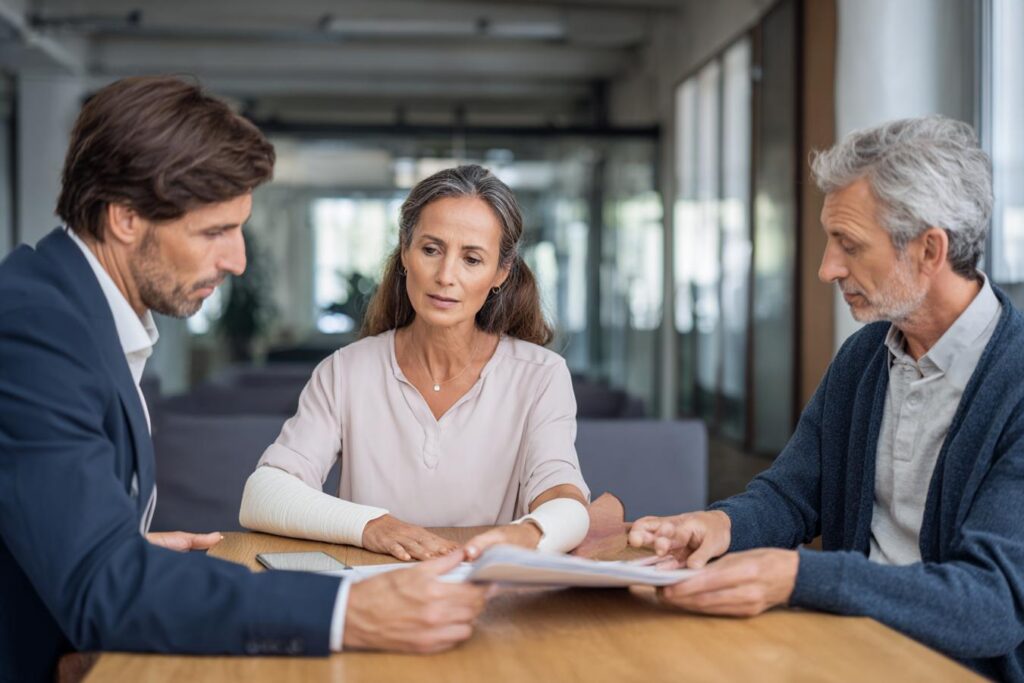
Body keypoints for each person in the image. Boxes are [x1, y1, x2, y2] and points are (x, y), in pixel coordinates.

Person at [0, 76, 488, 683]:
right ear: (124, 218)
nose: (237, 261)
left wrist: (119, 550)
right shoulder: (35, 330)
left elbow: (56, 539)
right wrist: (347, 612)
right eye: (213, 232)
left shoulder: (70, 313)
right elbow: (102, 589)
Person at [629, 115, 1024, 681]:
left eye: (849, 244)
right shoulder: (865, 357)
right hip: (841, 649)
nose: (826, 268)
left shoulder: (1015, 383)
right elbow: (791, 497)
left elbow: (992, 604)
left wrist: (798, 577)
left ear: (929, 250)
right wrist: (719, 527)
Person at [239, 165, 591, 562]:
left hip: (485, 592)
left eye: (472, 259)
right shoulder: (345, 371)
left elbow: (564, 498)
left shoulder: (541, 376)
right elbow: (263, 493)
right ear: (405, 252)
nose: (445, 276)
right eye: (431, 250)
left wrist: (528, 535)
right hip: (370, 593)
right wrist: (374, 526)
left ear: (501, 273)